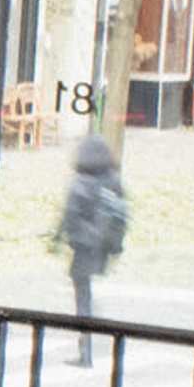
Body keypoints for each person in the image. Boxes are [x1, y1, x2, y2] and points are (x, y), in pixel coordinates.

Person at [53, 133, 129, 363]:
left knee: (82, 296)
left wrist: (57, 238)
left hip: (83, 247)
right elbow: (122, 214)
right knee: (87, 293)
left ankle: (85, 350)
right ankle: (89, 339)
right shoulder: (113, 180)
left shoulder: (79, 183)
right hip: (103, 246)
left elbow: (69, 216)